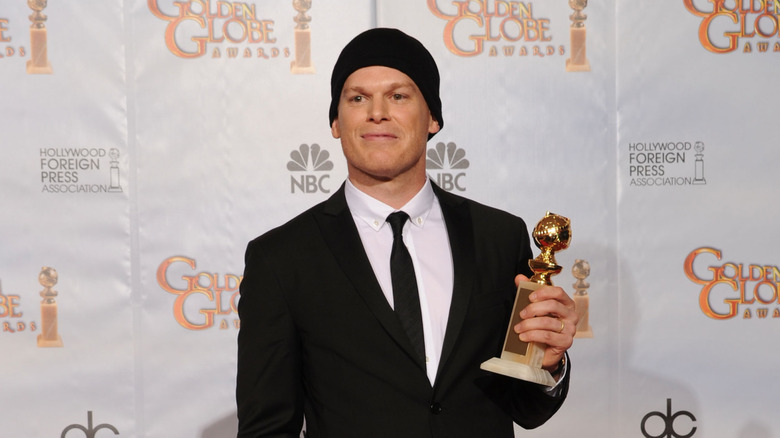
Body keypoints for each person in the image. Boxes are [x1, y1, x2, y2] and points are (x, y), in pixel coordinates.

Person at [236, 28, 578, 438]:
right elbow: (266, 429)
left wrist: (551, 363)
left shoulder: (499, 237)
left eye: (398, 96)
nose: (376, 112)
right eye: (357, 98)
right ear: (335, 121)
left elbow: (526, 407)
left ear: (432, 117)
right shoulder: (282, 258)